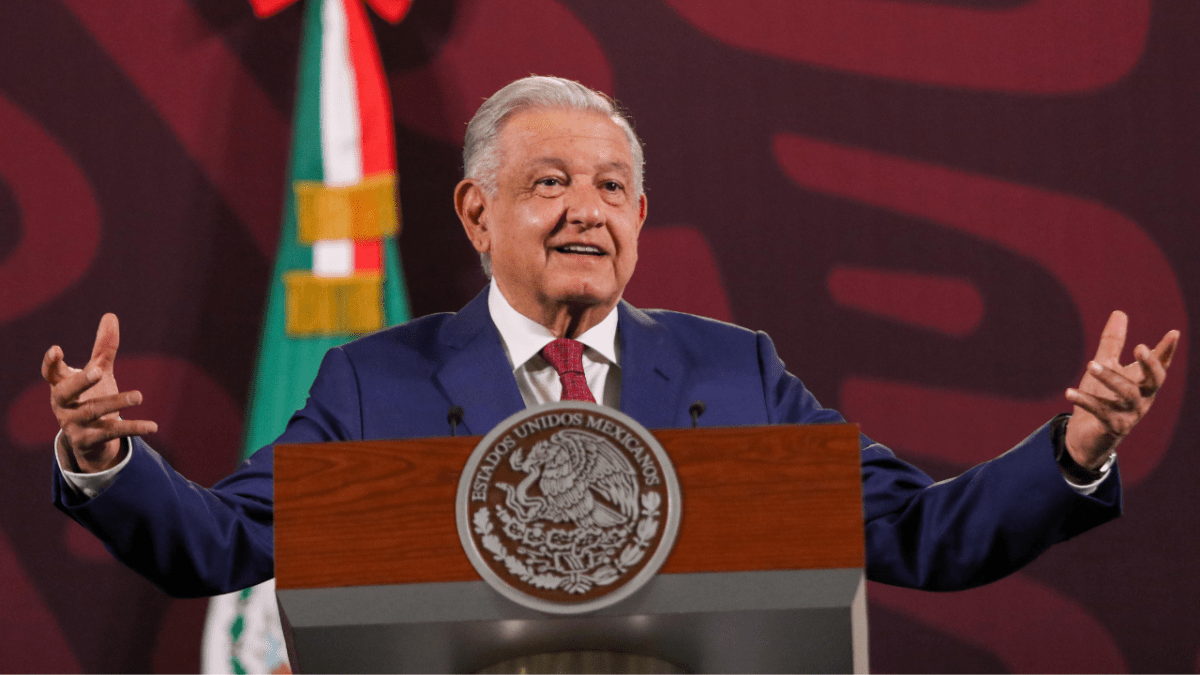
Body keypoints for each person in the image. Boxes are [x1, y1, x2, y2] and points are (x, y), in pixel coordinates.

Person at [44, 76, 1178, 598]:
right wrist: (104, 462)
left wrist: (1074, 451)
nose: (587, 210)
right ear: (477, 212)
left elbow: (921, 537)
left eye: (613, 187)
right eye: (549, 182)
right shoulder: (373, 383)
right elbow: (220, 547)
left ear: (641, 216)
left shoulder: (738, 371)